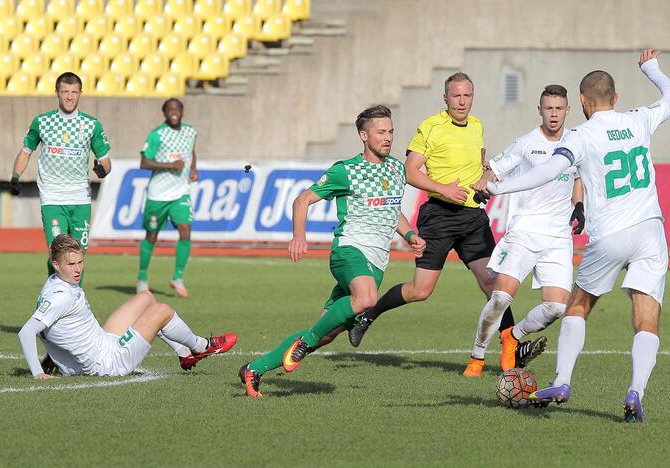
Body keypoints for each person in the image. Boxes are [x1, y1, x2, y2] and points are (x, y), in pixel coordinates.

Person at [479, 50, 670, 422]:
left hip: (610, 232)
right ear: (616, 98)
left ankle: (562, 381)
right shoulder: (638, 119)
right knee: (647, 316)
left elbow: (546, 171)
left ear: (583, 102)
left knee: (578, 305)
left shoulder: (582, 135)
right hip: (651, 230)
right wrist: (651, 69)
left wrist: (498, 188)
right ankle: (636, 390)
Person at [348, 72, 540, 376]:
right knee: (420, 291)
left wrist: (485, 179)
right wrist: (443, 188)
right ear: (445, 98)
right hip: (438, 215)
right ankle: (370, 313)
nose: (462, 102)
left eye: (467, 96)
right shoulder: (430, 127)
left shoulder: (477, 126)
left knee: (494, 285)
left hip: (472, 218)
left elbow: (480, 164)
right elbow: (410, 172)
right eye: (456, 96)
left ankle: (511, 348)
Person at [238, 105, 426, 397]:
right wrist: (299, 236)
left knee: (326, 333)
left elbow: (392, 209)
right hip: (349, 250)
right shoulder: (346, 170)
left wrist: (410, 233)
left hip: (376, 262)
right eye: (381, 132)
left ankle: (254, 369)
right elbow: (302, 201)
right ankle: (305, 342)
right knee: (366, 299)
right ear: (364, 136)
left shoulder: (396, 170)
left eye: (390, 131)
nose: (388, 137)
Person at [465, 85, 585, 377]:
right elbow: (495, 169)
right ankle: (477, 357)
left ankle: (512, 337)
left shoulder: (577, 142)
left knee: (557, 307)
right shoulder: (526, 143)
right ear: (540, 110)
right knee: (501, 298)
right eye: (548, 108)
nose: (554, 114)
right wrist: (485, 183)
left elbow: (579, 176)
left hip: (558, 236)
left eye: (559, 108)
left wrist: (578, 205)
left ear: (567, 110)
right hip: (524, 230)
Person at [18, 234, 237, 378]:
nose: (78, 269)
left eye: (80, 262)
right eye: (71, 264)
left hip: (103, 343)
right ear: (55, 265)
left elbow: (52, 330)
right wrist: (38, 372)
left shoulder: (55, 281)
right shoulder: (61, 296)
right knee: (162, 311)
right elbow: (27, 332)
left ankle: (184, 353)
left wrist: (54, 357)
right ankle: (202, 346)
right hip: (108, 363)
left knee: (146, 297)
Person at [10, 72, 111, 284]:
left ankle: (76, 302)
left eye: (74, 92)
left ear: (80, 94)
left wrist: (102, 170)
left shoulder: (91, 125)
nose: (69, 96)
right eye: (65, 91)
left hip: (80, 198)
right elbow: (26, 151)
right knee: (58, 252)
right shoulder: (42, 122)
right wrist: (15, 177)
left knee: (76, 256)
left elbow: (105, 160)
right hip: (52, 197)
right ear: (57, 92)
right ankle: (56, 298)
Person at [136, 98, 198, 298]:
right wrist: (171, 166)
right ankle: (143, 277)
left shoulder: (190, 132)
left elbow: (190, 151)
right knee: (151, 236)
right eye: (170, 110)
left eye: (177, 109)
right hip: (158, 195)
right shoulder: (157, 135)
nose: (174, 112)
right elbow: (144, 162)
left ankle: (177, 277)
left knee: (185, 230)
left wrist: (194, 169)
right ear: (165, 113)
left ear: (182, 112)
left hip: (180, 192)